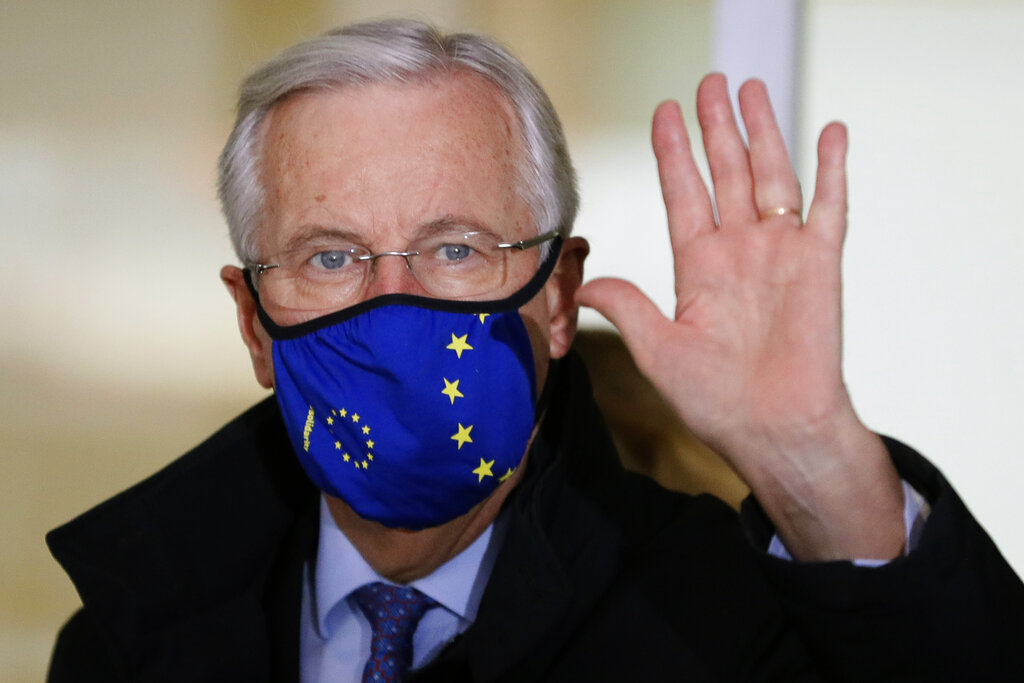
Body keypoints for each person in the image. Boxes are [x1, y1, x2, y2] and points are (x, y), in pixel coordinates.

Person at [46, 18, 1024, 682]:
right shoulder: (128, 638)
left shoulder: (724, 620)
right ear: (256, 321)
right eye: (331, 254)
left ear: (558, 298)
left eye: (456, 247)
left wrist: (808, 456)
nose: (395, 307)